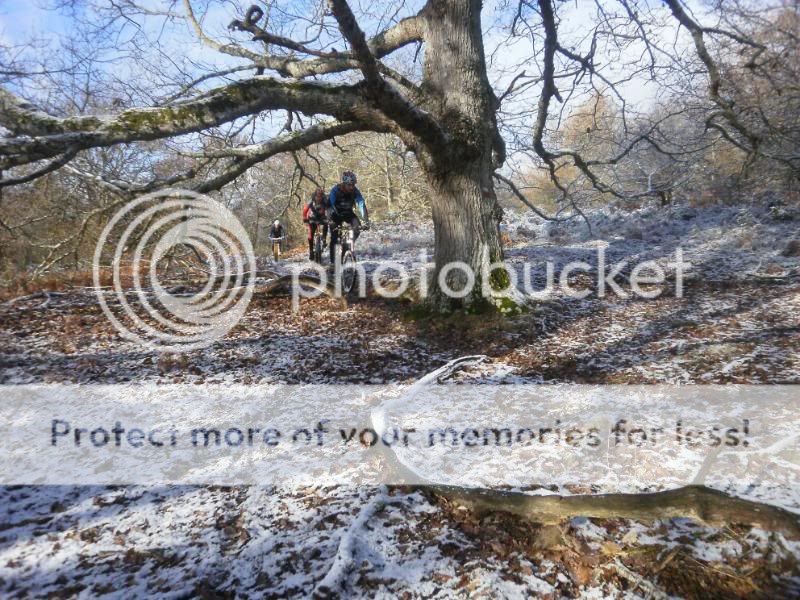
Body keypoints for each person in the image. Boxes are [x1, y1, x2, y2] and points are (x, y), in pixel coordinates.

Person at [328, 170, 370, 264]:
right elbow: (330, 205)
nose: (352, 187)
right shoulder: (336, 190)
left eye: (353, 184)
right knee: (334, 238)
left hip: (348, 213)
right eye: (349, 185)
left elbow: (361, 204)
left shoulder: (355, 191)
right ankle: (332, 262)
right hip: (336, 215)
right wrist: (330, 220)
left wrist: (366, 221)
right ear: (344, 183)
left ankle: (347, 246)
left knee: (357, 228)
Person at [302, 188, 328, 261]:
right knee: (310, 236)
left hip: (321, 217)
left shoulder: (325, 201)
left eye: (320, 196)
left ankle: (324, 238)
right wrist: (304, 218)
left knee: (326, 223)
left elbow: (330, 208)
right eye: (317, 196)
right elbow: (305, 210)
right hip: (312, 217)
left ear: (322, 196)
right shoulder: (311, 201)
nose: (319, 198)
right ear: (315, 196)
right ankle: (311, 251)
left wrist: (330, 217)